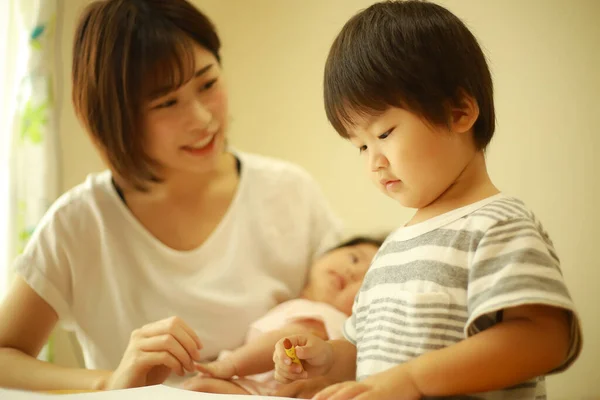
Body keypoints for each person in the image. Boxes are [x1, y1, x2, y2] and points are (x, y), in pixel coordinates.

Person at [0, 0, 342, 392]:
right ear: (117, 116)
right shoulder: (79, 224)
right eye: (167, 103)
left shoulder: (290, 193)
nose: (201, 118)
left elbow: (355, 325)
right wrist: (108, 383)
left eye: (208, 83)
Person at [273, 1, 583, 400]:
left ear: (459, 111)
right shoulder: (390, 250)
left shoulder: (496, 224)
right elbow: (364, 353)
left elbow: (545, 338)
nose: (375, 162)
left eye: (384, 133)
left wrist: (414, 380)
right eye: (361, 146)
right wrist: (326, 358)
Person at [182, 236, 383, 396]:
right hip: (256, 385)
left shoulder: (325, 316)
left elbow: (284, 341)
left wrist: (229, 365)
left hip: (265, 390)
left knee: (195, 388)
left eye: (365, 282)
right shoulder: (301, 306)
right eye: (354, 258)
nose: (352, 271)